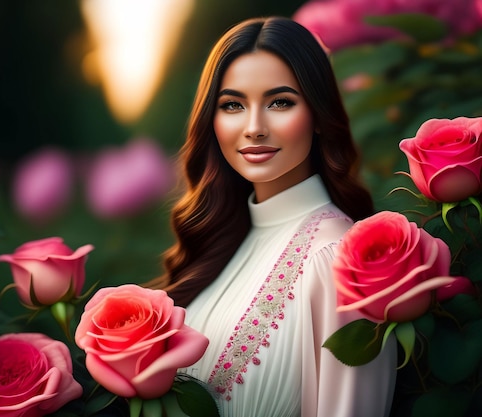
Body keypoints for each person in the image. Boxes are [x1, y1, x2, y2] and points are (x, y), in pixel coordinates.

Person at [151, 16, 396, 417]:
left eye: (280, 102)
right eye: (232, 105)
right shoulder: (225, 240)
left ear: (318, 114)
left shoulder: (338, 259)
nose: (253, 128)